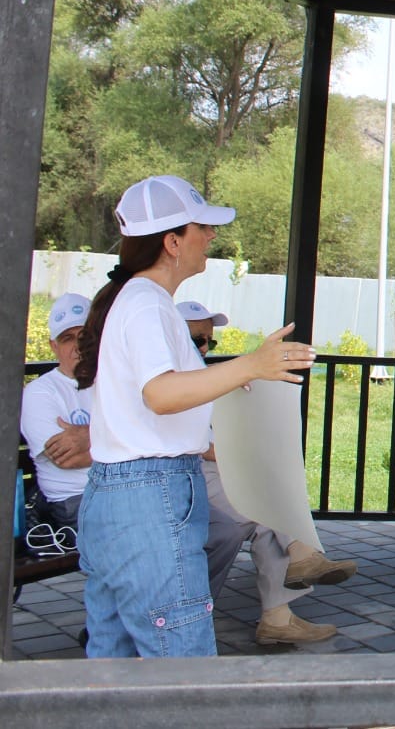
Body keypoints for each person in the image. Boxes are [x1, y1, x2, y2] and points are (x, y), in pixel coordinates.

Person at [73, 175, 314, 658]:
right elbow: (160, 394)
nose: (211, 236)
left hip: (119, 494)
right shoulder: (147, 304)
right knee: (182, 664)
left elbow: (160, 391)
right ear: (172, 242)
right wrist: (249, 365)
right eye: (202, 227)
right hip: (151, 495)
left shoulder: (136, 299)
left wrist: (236, 372)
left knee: (113, 668)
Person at [178, 301, 354, 647]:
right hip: (182, 476)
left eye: (210, 341)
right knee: (265, 507)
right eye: (197, 339)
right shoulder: (170, 377)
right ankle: (295, 569)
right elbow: (193, 442)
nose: (205, 348)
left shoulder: (200, 372)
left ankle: (280, 611)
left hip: (208, 471)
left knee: (266, 514)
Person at [21, 293, 94, 529]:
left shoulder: (114, 382)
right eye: (67, 338)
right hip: (76, 499)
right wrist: (125, 444)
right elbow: (67, 459)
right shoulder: (40, 392)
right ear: (54, 346)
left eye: (84, 336)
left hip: (124, 491)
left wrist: (88, 437)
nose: (78, 347)